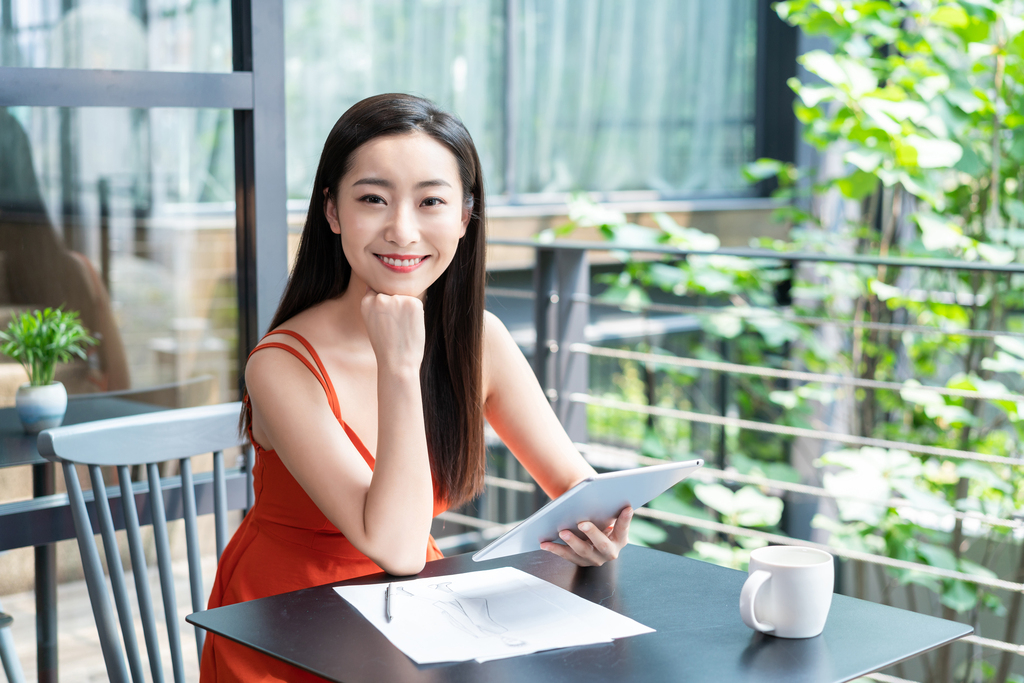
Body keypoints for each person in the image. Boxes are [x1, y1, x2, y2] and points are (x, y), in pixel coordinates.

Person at [200, 93, 632, 682]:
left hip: (413, 613)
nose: (401, 230)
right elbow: (396, 547)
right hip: (288, 622)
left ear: (464, 216)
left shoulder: (480, 339)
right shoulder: (280, 365)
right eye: (373, 199)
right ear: (332, 212)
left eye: (430, 201)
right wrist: (400, 366)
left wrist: (598, 531)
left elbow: (576, 485)